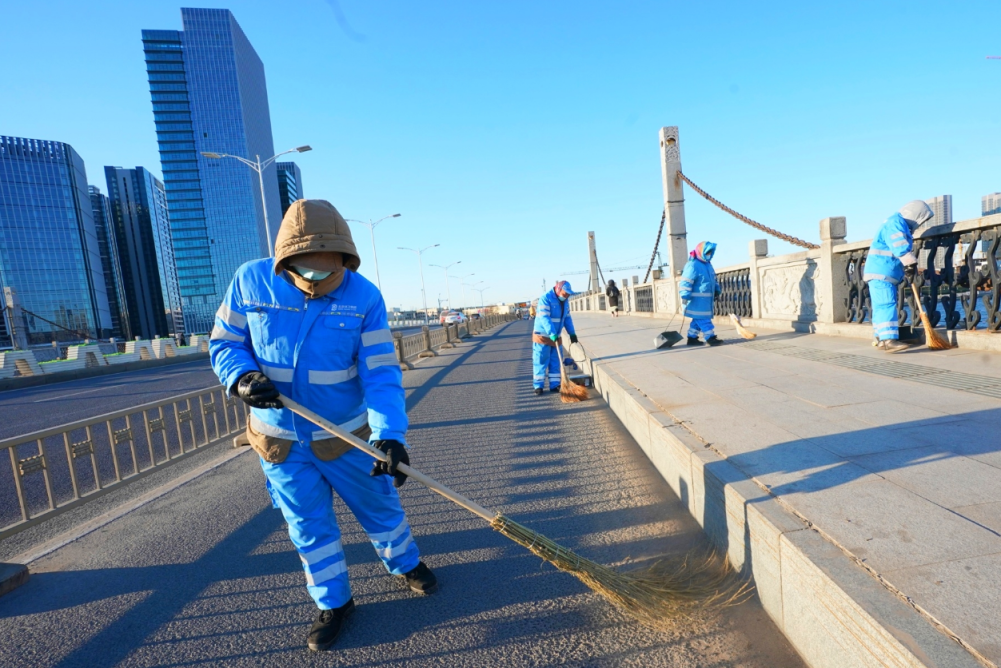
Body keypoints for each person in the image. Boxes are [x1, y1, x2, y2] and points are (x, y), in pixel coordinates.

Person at [209, 199, 436, 652]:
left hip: (346, 437)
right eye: (309, 272)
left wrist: (390, 435)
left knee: (381, 506)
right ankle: (334, 602)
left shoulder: (364, 296)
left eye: (330, 272)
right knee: (308, 526)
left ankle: (405, 563)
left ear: (345, 260)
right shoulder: (250, 282)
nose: (319, 281)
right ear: (285, 262)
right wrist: (241, 377)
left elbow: (380, 373)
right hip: (280, 441)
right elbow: (225, 342)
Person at [863, 200, 933, 353]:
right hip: (882, 272)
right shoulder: (896, 223)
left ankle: (881, 339)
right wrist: (909, 262)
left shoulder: (893, 221)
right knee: (886, 304)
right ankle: (888, 340)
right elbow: (899, 244)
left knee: (881, 306)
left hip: (880, 272)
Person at [532, 280, 578, 395]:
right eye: (565, 293)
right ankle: (538, 385)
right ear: (558, 290)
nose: (566, 296)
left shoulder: (565, 301)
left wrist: (572, 333)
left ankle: (555, 384)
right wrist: (551, 332)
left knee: (556, 361)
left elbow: (567, 318)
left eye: (568, 294)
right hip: (542, 335)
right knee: (541, 360)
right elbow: (544, 318)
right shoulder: (545, 298)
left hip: (556, 336)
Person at [679, 241, 722, 346]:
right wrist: (685, 293)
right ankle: (710, 337)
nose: (710, 255)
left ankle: (692, 337)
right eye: (708, 252)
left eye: (711, 252)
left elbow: (713, 279)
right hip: (696, 299)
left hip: (706, 299)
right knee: (703, 319)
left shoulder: (708, 265)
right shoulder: (692, 265)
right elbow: (686, 281)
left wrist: (717, 289)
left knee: (698, 318)